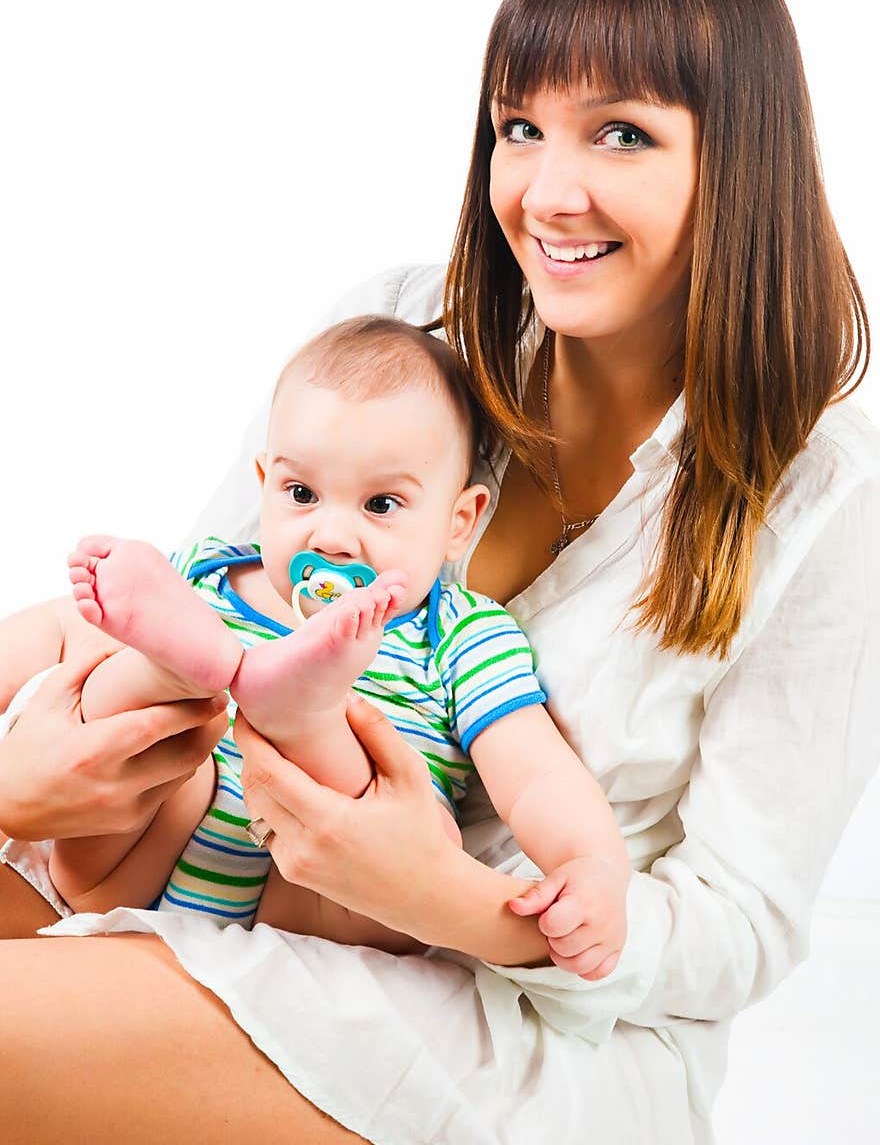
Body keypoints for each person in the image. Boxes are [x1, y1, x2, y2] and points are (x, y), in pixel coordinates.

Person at [1, 0, 878, 1145]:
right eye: (519, 127)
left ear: (737, 161)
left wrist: (458, 903)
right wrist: (25, 780)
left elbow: (736, 926)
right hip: (218, 880)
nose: (545, 190)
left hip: (517, 1030)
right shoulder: (409, 323)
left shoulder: (828, 492)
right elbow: (213, 603)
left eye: (620, 133)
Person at [14, 316, 628, 972]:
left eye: (382, 504)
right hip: (129, 873)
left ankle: (306, 716)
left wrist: (591, 866)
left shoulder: (461, 635)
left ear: (459, 520)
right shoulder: (209, 579)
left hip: (312, 912)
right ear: (265, 482)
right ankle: (168, 672)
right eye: (302, 493)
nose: (331, 536)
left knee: (393, 829)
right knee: (150, 730)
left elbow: (535, 775)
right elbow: (53, 634)